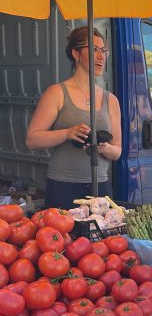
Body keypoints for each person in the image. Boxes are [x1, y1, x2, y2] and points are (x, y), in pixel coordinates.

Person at [26, 26, 122, 209]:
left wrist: (103, 147)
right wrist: (68, 133)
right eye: (94, 50)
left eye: (103, 51)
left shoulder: (111, 100)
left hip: (100, 186)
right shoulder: (57, 93)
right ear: (76, 54)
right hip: (63, 186)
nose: (101, 57)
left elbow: (117, 151)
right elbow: (32, 139)